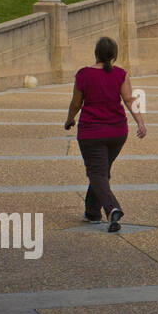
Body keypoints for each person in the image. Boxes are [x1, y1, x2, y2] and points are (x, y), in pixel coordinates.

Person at [65, 36, 146, 232]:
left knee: (96, 172)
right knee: (102, 171)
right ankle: (92, 212)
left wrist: (69, 119)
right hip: (117, 132)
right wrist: (140, 122)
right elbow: (128, 99)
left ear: (96, 53)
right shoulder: (120, 74)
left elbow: (77, 102)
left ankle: (112, 208)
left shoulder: (84, 75)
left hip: (91, 132)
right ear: (114, 55)